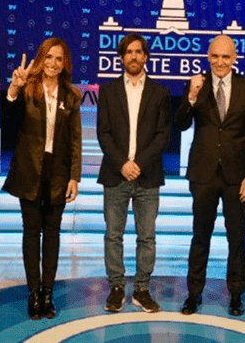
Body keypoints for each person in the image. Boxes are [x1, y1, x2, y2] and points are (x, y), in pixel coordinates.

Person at [175, 34, 245, 316]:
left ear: (235, 58)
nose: (220, 62)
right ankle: (193, 293)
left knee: (237, 237)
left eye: (226, 57)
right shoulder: (196, 85)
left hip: (237, 176)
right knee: (200, 235)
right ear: (208, 57)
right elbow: (180, 123)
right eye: (215, 56)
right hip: (203, 174)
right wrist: (190, 96)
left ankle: (236, 294)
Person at [2, 38, 82, 320]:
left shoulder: (71, 96)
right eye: (48, 57)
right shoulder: (28, 89)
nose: (53, 64)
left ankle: (48, 293)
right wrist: (14, 88)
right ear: (40, 59)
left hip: (58, 174)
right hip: (30, 170)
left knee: (52, 234)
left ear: (65, 64)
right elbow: (8, 120)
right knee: (31, 232)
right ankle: (33, 293)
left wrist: (75, 177)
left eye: (58, 59)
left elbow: (75, 140)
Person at [97, 34, 171, 313]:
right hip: (116, 175)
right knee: (113, 235)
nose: (134, 57)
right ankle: (116, 287)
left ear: (146, 57)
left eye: (139, 52)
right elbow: (103, 133)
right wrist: (122, 164)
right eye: (128, 52)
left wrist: (138, 162)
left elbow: (163, 135)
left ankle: (141, 288)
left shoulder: (160, 93)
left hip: (147, 175)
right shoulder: (107, 91)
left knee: (146, 237)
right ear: (121, 57)